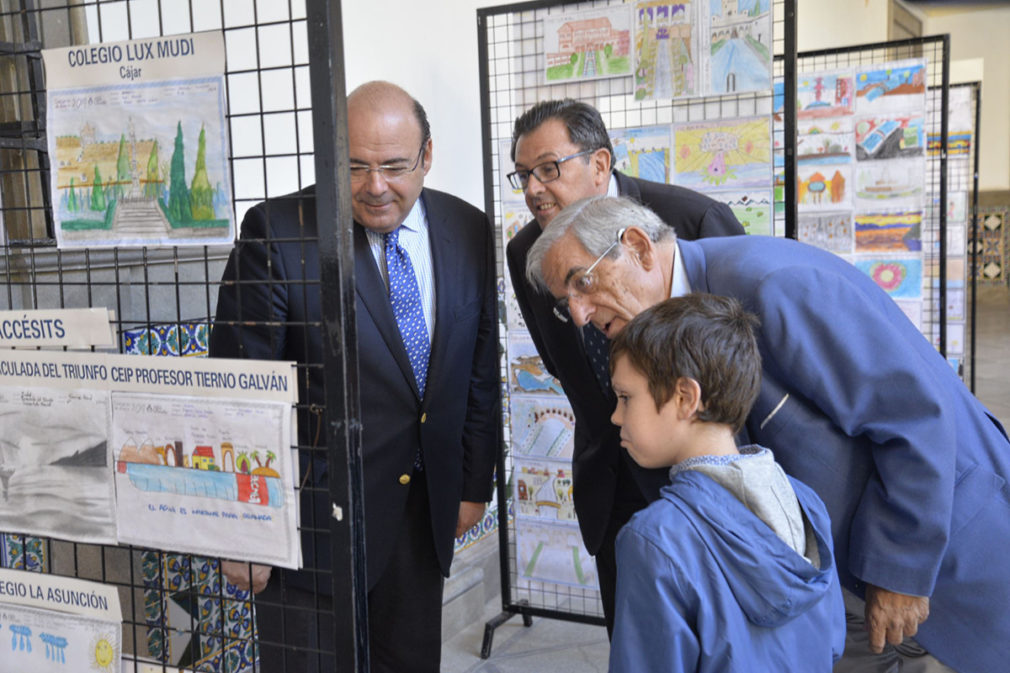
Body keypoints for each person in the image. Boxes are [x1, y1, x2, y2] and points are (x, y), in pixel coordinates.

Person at [527, 195, 1010, 673]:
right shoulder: (658, 334)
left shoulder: (773, 284)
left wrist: (901, 569)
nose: (580, 314)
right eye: (564, 303)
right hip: (837, 586)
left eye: (582, 283)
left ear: (637, 246)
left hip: (943, 552)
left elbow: (913, 414)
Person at [210, 81, 499, 673]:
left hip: (420, 515)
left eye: (394, 166)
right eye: (356, 166)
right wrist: (243, 532)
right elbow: (237, 392)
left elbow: (476, 370)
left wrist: (473, 483)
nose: (375, 187)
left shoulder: (467, 228)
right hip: (315, 525)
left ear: (427, 155)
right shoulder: (279, 231)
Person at [504, 99, 745, 631]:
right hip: (612, 488)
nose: (533, 188)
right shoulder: (528, 251)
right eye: (523, 175)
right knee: (635, 640)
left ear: (599, 163)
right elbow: (561, 360)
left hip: (708, 491)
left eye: (548, 168)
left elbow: (741, 356)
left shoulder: (688, 221)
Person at [607, 293, 845, 672]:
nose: (616, 417)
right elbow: (830, 642)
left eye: (625, 397)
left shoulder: (655, 540)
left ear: (686, 397)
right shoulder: (806, 503)